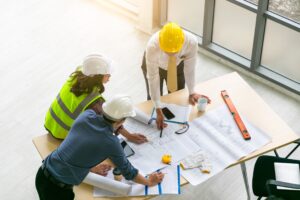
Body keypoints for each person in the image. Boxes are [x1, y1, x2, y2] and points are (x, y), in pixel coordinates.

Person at [35, 96, 164, 200]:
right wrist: (149, 181)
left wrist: (89, 167)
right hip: (58, 191)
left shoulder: (86, 115)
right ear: (121, 121)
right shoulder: (110, 142)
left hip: (42, 174)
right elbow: (129, 172)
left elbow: (77, 144)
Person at [44, 54, 147, 144]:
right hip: (63, 134)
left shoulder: (80, 73)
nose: (109, 78)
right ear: (97, 77)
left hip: (50, 122)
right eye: (108, 75)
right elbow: (109, 121)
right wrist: (129, 135)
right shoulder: (94, 102)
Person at [141, 22, 211, 129]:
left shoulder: (191, 42)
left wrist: (192, 92)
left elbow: (190, 69)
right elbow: (153, 77)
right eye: (167, 51)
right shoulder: (153, 46)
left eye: (174, 51)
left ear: (182, 42)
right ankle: (156, 113)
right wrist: (158, 108)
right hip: (154, 65)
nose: (171, 54)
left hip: (177, 66)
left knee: (176, 96)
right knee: (153, 99)